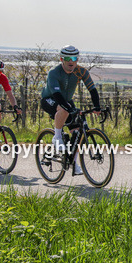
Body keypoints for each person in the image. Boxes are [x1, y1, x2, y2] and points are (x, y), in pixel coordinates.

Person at [39, 46, 102, 176]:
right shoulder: (54, 72)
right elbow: (56, 95)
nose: (71, 61)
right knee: (65, 109)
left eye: (74, 58)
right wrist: (69, 109)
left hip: (66, 100)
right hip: (49, 99)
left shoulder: (81, 71)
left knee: (78, 132)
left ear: (77, 59)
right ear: (62, 59)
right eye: (67, 58)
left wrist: (97, 107)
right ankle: (57, 137)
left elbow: (92, 90)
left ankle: (73, 162)